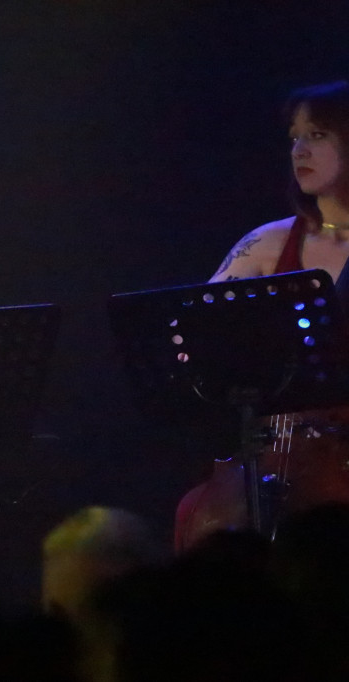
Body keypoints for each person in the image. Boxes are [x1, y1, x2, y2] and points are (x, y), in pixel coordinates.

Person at [176, 81, 349, 550]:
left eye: (317, 135)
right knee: (198, 510)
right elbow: (192, 327)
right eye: (294, 137)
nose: (299, 150)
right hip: (274, 448)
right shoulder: (269, 242)